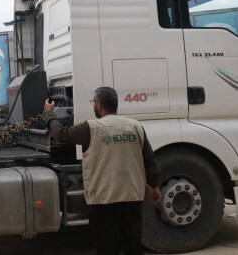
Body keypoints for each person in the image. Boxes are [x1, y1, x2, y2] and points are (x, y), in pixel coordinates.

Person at [44, 87, 162, 255]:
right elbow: (149, 159)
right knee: (133, 245)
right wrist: (154, 186)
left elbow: (61, 134)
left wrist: (49, 114)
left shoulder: (90, 128)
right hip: (132, 198)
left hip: (103, 200)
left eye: (93, 102)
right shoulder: (135, 126)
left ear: (99, 105)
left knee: (107, 247)